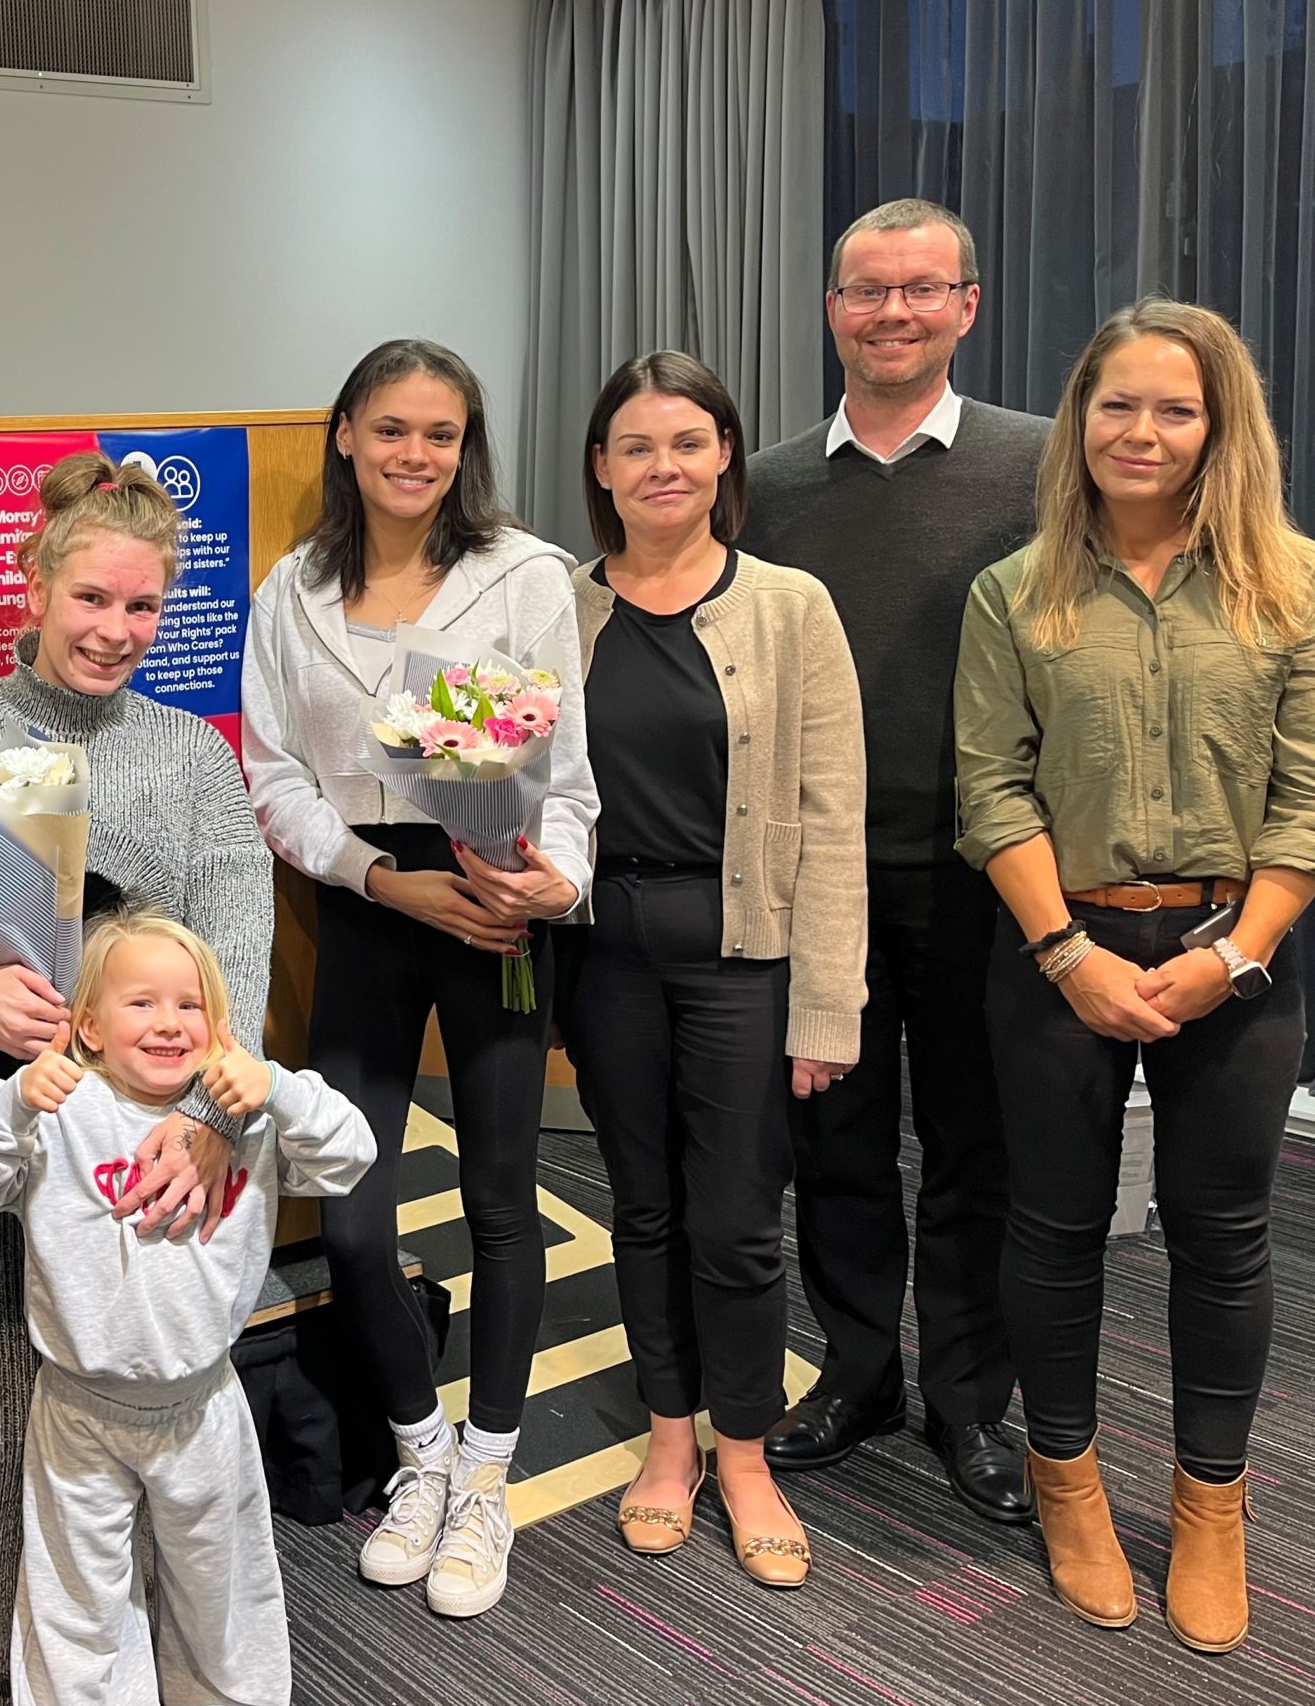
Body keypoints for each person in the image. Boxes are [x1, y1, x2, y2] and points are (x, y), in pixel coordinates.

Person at [0, 452, 273, 1706]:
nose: (114, 631)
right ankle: (6, 1691)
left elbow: (239, 952)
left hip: (160, 1155)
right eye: (91, 600)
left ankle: (168, 1682)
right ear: (34, 587)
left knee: (162, 1422)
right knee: (1, 1413)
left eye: (142, 608)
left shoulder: (194, 758)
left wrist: (215, 1123)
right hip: (4, 1138)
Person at [954, 298, 1313, 1653]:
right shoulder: (1016, 589)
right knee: (1051, 1229)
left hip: (1241, 951)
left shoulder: (1292, 582)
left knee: (1224, 1240)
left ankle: (1211, 1506)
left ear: (1220, 427)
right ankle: (1070, 1483)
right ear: (1080, 418)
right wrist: (1066, 953)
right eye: (1118, 405)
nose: (1143, 432)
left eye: (1175, 408)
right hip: (1058, 948)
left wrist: (1234, 955)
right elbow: (990, 790)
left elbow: (1308, 798)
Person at [242, 338, 597, 1617]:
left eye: (438, 435)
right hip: (373, 905)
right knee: (349, 1210)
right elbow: (275, 771)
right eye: (389, 428)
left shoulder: (524, 574)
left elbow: (566, 775)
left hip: (497, 901)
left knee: (506, 1201)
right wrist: (374, 878)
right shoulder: (291, 591)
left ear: (466, 448)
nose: (413, 455)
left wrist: (546, 879)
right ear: (345, 434)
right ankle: (418, 1453)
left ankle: (489, 1474)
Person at [748, 199, 1048, 1522]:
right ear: (833, 311)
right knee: (840, 1145)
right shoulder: (759, 485)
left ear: (968, 307)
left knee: (980, 1148)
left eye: (922, 291)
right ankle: (860, 1372)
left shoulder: (1044, 468)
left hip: (990, 869)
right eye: (868, 292)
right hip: (823, 876)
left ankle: (970, 1402)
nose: (893, 314)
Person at [563, 352, 866, 1587]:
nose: (662, 467)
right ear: (599, 466)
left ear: (726, 456)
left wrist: (827, 1007)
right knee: (640, 1206)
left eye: (686, 442)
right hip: (602, 948)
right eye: (635, 446)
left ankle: (741, 1451)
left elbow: (832, 816)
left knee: (737, 1222)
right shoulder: (555, 605)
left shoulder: (789, 606)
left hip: (744, 951)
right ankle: (668, 1436)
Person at [0, 916, 375, 1706]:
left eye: (191, 1005)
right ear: (90, 1028)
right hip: (77, 1409)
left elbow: (352, 1154)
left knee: (219, 1575)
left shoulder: (243, 1117)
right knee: (78, 1594)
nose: (170, 1022)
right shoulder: (63, 1107)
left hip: (201, 1403)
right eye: (141, 1002)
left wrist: (275, 1086)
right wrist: (10, 1101)